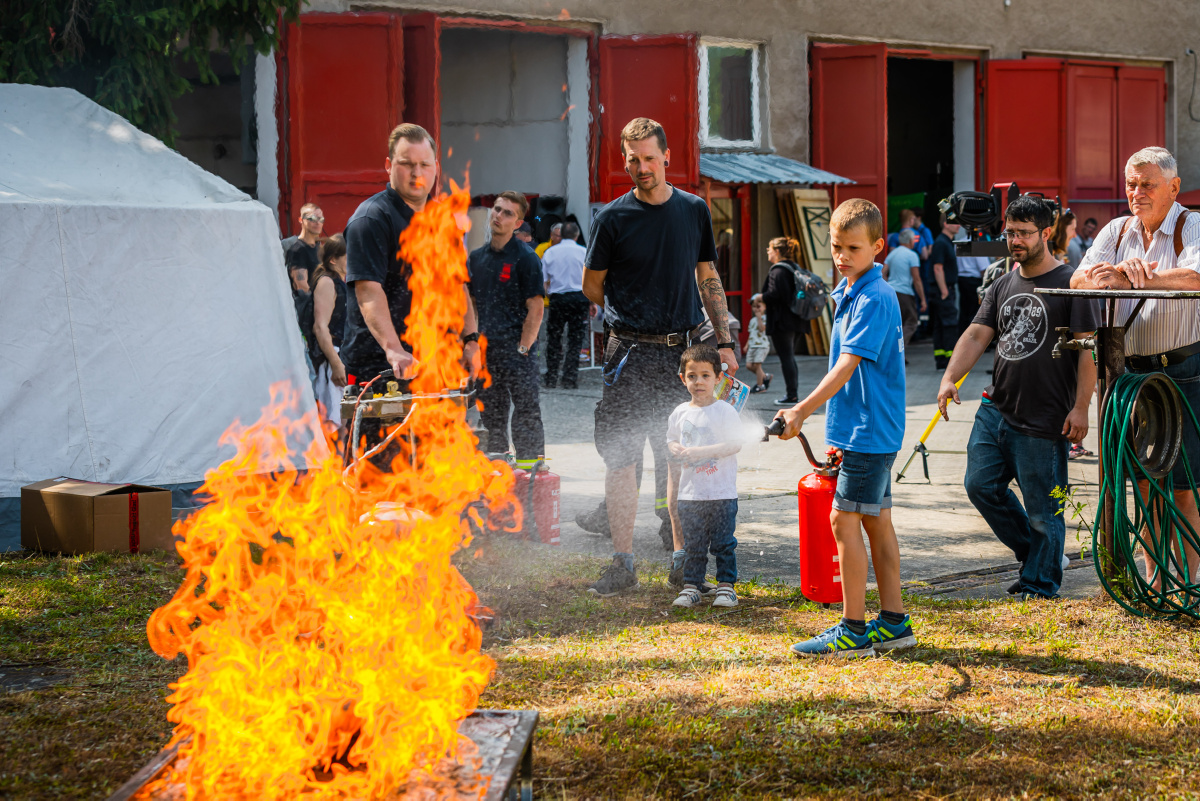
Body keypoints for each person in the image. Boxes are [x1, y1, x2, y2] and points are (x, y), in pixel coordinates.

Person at [582, 117, 738, 597]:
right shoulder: (612, 218)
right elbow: (593, 285)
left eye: (650, 157)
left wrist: (726, 341)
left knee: (681, 458)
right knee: (621, 459)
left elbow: (707, 274)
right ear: (624, 160)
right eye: (633, 159)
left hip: (683, 354)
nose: (642, 167)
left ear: (668, 156)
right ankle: (623, 563)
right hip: (628, 355)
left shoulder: (693, 210)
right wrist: (630, 307)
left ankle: (682, 562)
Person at [939, 195, 1100, 599]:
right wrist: (949, 378)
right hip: (997, 408)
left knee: (1045, 511)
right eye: (1010, 232)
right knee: (981, 487)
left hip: (1045, 417)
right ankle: (1038, 557)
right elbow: (977, 334)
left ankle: (1040, 582)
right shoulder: (1001, 284)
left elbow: (1087, 351)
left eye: (1024, 233)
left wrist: (1082, 407)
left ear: (1045, 233)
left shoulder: (1070, 283)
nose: (1015, 240)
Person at [776, 198, 913, 657]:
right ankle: (894, 622)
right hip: (865, 428)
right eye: (836, 246)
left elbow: (847, 366)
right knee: (875, 521)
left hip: (868, 431)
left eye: (853, 248)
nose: (842, 256)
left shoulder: (873, 297)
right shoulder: (852, 290)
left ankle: (853, 630)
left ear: (878, 246)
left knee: (843, 519)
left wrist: (800, 411)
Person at [1071, 146, 1200, 590]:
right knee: (1144, 484)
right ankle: (1153, 580)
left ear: (1173, 187)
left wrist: (1139, 277)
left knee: (1182, 484)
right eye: (1131, 183)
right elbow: (1077, 278)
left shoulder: (1193, 225)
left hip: (1183, 370)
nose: (1137, 192)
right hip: (1129, 374)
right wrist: (1107, 275)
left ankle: (1183, 582)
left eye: (1147, 183)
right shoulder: (1116, 229)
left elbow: (1196, 278)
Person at [341, 124, 480, 456]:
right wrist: (393, 349)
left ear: (435, 168)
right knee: (386, 474)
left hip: (439, 364)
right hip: (384, 369)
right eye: (406, 163)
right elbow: (368, 291)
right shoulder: (372, 219)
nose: (416, 173)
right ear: (388, 166)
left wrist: (471, 340)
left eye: (425, 164)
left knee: (442, 468)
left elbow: (458, 287)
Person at [468, 191, 546, 466]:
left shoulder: (526, 259)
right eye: (497, 210)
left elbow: (536, 309)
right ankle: (497, 469)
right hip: (488, 353)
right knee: (491, 414)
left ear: (518, 223)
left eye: (508, 213)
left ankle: (530, 473)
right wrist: (473, 342)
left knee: (526, 411)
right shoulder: (476, 259)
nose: (499, 216)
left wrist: (523, 348)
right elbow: (473, 306)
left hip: (518, 352)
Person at [667, 344, 743, 609]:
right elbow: (671, 442)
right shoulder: (679, 413)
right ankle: (692, 587)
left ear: (718, 378)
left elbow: (734, 444)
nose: (698, 382)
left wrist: (701, 452)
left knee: (723, 544)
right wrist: (674, 448)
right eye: (692, 376)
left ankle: (726, 587)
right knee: (694, 545)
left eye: (705, 375)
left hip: (721, 493)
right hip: (690, 495)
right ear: (682, 378)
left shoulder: (725, 411)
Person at [758, 237, 807, 405]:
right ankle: (792, 393)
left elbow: (775, 295)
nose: (768, 252)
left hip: (782, 322)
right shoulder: (795, 268)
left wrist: (759, 297)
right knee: (789, 357)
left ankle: (791, 395)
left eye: (770, 249)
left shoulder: (777, 271)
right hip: (798, 320)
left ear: (777, 251)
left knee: (786, 358)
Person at [541, 221, 589, 389]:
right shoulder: (584, 252)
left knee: (554, 338)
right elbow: (590, 280)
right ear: (576, 235)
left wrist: (549, 293)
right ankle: (569, 378)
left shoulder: (550, 252)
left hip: (558, 299)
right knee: (575, 341)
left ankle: (551, 377)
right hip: (579, 299)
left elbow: (544, 281)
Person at [309, 233, 348, 430]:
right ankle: (333, 461)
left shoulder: (343, 281)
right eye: (348, 255)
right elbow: (320, 327)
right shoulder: (326, 282)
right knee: (334, 425)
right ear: (333, 260)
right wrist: (336, 363)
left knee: (345, 422)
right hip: (330, 357)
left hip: (343, 354)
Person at [881, 228, 925, 353]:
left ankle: (895, 351)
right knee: (911, 322)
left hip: (892, 293)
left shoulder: (892, 254)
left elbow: (883, 272)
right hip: (905, 293)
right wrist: (923, 299)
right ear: (911, 241)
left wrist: (888, 285)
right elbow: (916, 279)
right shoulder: (912, 255)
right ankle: (898, 351)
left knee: (895, 324)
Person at [928, 214, 961, 369]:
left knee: (941, 324)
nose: (959, 226)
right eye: (955, 223)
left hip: (942, 289)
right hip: (943, 289)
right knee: (949, 324)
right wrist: (944, 291)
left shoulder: (945, 242)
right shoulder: (942, 243)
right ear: (946, 224)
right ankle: (948, 360)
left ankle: (941, 359)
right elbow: (938, 267)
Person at [282, 203, 323, 295]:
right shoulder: (297, 249)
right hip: (309, 305)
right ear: (301, 220)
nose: (318, 222)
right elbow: (301, 286)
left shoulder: (318, 248)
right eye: (312, 219)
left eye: (321, 219)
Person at [744, 297, 771, 393]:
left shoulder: (766, 318)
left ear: (765, 307)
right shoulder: (752, 320)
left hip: (762, 345)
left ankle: (760, 386)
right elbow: (751, 333)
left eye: (759, 306)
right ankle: (765, 376)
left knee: (757, 365)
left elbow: (762, 329)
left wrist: (760, 318)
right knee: (748, 365)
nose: (756, 309)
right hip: (752, 345)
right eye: (754, 307)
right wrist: (747, 345)